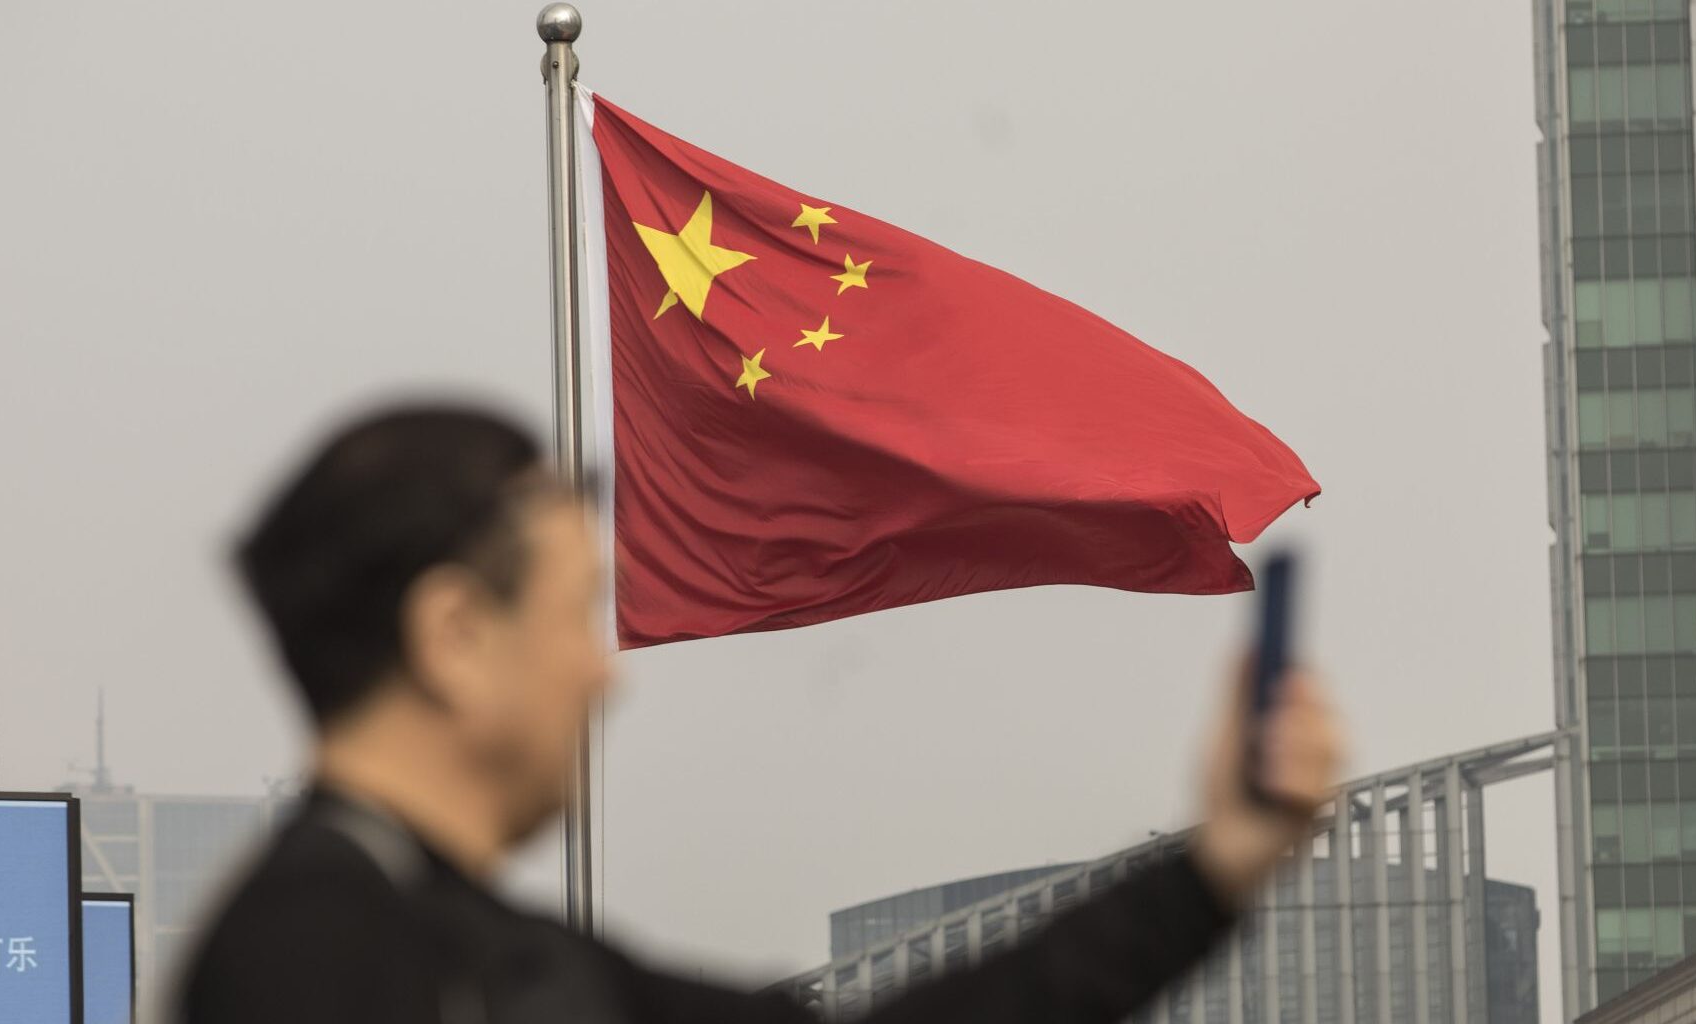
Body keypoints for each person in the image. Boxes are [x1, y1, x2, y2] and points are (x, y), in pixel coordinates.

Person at [175, 404, 1344, 1024]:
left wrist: (1213, 874)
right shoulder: (313, 949)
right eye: (574, 615)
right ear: (455, 636)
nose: (607, 676)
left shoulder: (496, 953)